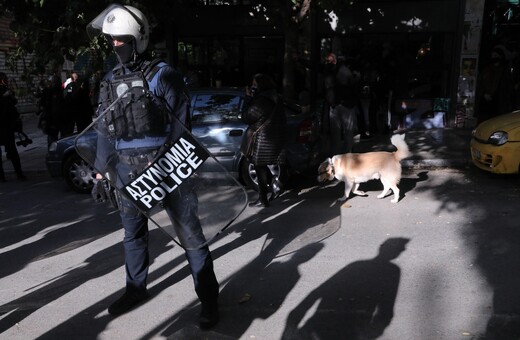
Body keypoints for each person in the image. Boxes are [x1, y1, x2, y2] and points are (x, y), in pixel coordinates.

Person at [86, 4, 219, 328]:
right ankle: (135, 288)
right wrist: (102, 170)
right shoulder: (110, 80)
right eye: (112, 40)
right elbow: (105, 128)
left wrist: (164, 165)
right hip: (128, 172)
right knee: (132, 235)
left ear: (138, 39)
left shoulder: (164, 76)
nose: (116, 45)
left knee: (191, 236)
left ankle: (209, 301)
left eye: (122, 39)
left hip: (166, 170)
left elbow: (181, 127)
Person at [240, 73, 287, 208]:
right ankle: (274, 185)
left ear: (262, 85)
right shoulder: (276, 98)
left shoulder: (262, 101)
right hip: (275, 138)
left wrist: (248, 98)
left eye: (255, 84)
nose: (253, 87)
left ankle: (263, 198)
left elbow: (246, 117)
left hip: (263, 139)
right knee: (259, 166)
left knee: (258, 167)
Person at [323, 53, 358, 155]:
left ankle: (340, 156)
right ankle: (346, 156)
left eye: (327, 61)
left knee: (339, 134)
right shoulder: (343, 71)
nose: (326, 63)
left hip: (338, 104)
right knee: (345, 132)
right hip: (341, 104)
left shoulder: (333, 71)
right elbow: (353, 86)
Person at [476, 46, 514, 124]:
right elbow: (481, 85)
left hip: (498, 102)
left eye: (496, 56)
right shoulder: (486, 70)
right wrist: (484, 94)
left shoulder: (504, 72)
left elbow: (507, 88)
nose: (494, 58)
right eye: (492, 56)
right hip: (485, 102)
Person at [0, 72, 26, 182]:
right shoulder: (3, 91)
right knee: (11, 151)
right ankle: (8, 175)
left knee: (12, 150)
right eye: (4, 79)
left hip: (7, 125)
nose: (5, 80)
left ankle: (17, 173)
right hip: (4, 125)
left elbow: (14, 102)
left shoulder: (6, 90)